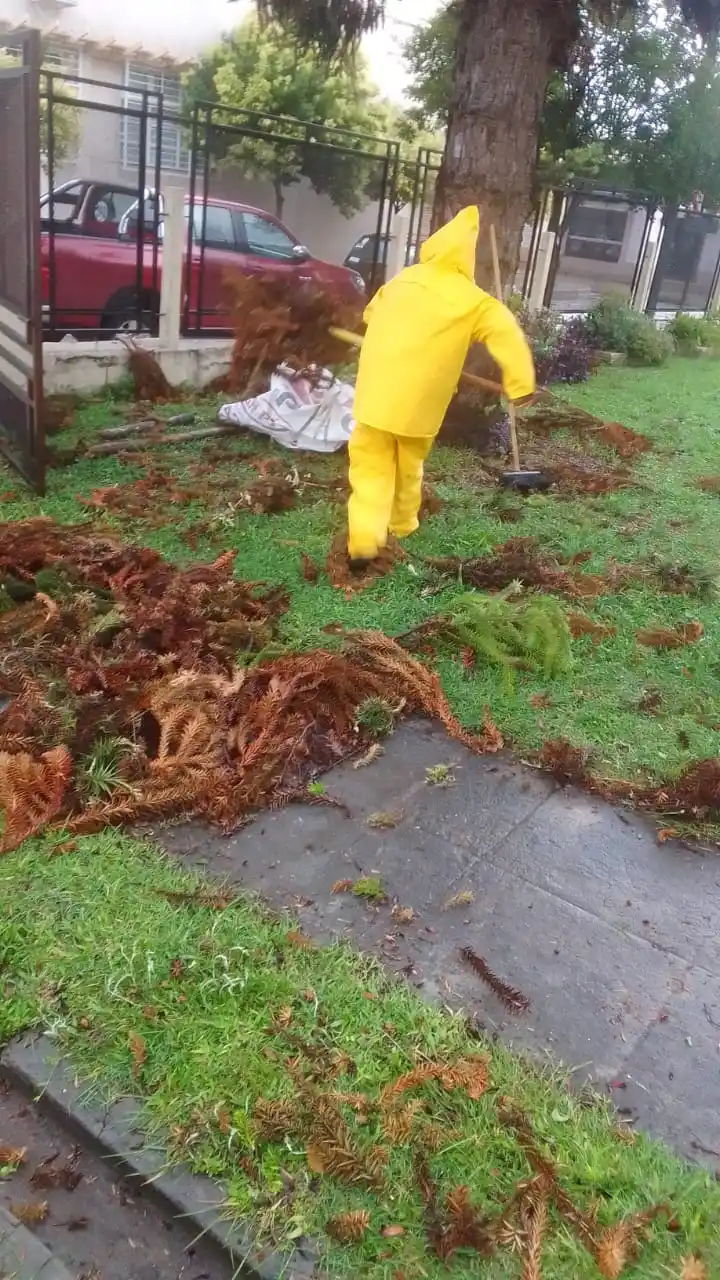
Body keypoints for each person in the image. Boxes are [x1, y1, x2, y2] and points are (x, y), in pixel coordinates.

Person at [347, 205, 535, 568]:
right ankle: (402, 525)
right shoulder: (473, 299)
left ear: (433, 247)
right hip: (420, 406)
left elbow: (371, 315)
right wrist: (519, 384)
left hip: (374, 397)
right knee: (409, 465)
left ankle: (364, 542)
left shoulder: (402, 280)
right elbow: (506, 333)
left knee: (370, 469)